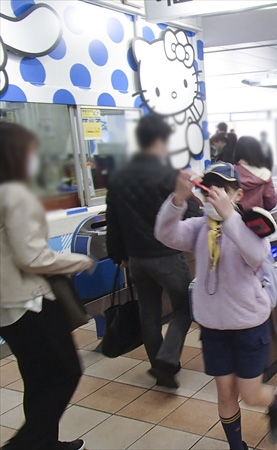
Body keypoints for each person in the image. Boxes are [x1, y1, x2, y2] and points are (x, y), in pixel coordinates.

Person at [155, 162, 277, 449]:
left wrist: (230, 218)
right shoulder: (198, 228)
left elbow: (255, 256)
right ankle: (236, 446)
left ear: (237, 195)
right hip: (213, 327)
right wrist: (177, 199)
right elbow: (164, 234)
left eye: (223, 190)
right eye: (208, 189)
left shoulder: (252, 227)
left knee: (250, 394)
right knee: (225, 391)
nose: (214, 196)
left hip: (249, 326)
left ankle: (274, 402)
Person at [0, 122, 93, 450]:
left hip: (7, 306)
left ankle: (45, 444)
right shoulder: (16, 193)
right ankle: (25, 445)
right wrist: (77, 261)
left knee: (38, 379)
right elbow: (32, 258)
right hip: (31, 301)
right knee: (65, 373)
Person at [106, 114, 199, 388]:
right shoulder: (169, 176)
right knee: (183, 309)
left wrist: (118, 254)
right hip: (167, 256)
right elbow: (190, 212)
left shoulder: (118, 177)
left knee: (149, 311)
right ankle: (166, 362)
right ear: (160, 140)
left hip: (137, 259)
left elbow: (114, 219)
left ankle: (157, 362)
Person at [234, 136, 277, 211]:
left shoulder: (230, 171)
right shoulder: (265, 174)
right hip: (256, 218)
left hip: (234, 218)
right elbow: (271, 203)